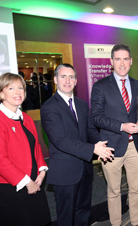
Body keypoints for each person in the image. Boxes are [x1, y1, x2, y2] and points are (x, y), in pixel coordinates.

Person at [41, 63, 114, 226]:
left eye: (71, 77)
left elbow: (89, 129)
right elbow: (61, 141)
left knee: (83, 212)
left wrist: (98, 142)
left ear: (76, 81)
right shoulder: (49, 107)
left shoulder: (81, 104)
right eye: (63, 76)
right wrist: (93, 149)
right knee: (66, 216)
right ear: (55, 80)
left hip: (85, 169)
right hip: (65, 172)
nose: (67, 80)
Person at [0, 73, 51, 226]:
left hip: (34, 182)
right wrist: (27, 182)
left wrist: (42, 170)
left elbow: (36, 147)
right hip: (11, 188)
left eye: (21, 88)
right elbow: (0, 161)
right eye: (11, 88)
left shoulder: (26, 118)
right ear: (1, 93)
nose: (18, 92)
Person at [91, 44, 138, 226]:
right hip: (112, 147)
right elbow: (96, 117)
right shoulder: (100, 86)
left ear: (130, 61)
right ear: (111, 62)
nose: (122, 63)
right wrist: (122, 126)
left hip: (136, 146)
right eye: (117, 59)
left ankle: (136, 222)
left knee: (136, 189)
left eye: (125, 59)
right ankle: (116, 223)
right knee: (113, 190)